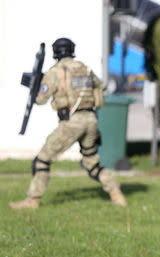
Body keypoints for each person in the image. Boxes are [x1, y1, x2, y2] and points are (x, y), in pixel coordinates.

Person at [9, 38, 127, 209]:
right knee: (92, 163)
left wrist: (35, 85)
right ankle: (117, 195)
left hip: (72, 123)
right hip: (91, 120)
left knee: (42, 160)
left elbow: (41, 98)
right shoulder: (85, 69)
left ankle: (32, 200)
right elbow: (101, 87)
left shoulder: (56, 71)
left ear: (56, 52)